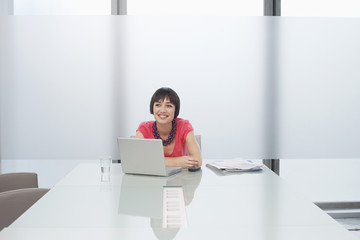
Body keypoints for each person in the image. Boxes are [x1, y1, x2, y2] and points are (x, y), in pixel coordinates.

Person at [136, 87, 202, 169]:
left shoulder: (184, 126)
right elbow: (136, 160)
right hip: (152, 180)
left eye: (169, 106)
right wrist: (177, 162)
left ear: (175, 110)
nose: (163, 110)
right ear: (152, 108)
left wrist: (153, 161)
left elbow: (197, 160)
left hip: (182, 179)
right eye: (158, 105)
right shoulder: (144, 129)